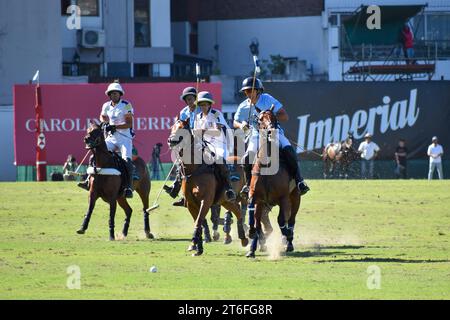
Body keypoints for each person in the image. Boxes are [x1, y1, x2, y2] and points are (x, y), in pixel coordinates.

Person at [233, 77, 310, 198]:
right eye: (246, 91)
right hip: (256, 134)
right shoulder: (243, 106)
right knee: (247, 157)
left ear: (258, 91)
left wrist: (269, 118)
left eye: (251, 90)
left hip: (274, 131)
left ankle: (299, 180)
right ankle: (248, 185)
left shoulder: (267, 99)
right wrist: (241, 124)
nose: (248, 93)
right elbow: (235, 122)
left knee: (288, 148)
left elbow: (285, 116)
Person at [77, 81, 137, 198]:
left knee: (126, 160)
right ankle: (88, 179)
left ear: (120, 94)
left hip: (125, 139)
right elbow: (102, 116)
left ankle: (128, 187)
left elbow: (129, 123)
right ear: (109, 95)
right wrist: (105, 122)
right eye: (112, 94)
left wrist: (114, 126)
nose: (114, 95)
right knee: (95, 154)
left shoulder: (126, 105)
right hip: (111, 138)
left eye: (116, 93)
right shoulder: (106, 105)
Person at [193, 91, 236, 201]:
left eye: (205, 104)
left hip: (219, 144)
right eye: (201, 104)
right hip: (204, 146)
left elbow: (218, 130)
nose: (203, 106)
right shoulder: (198, 117)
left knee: (219, 159)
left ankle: (228, 188)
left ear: (209, 104)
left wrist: (203, 131)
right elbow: (196, 133)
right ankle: (180, 188)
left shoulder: (216, 114)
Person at [164, 87, 201, 206]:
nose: (190, 101)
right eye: (187, 99)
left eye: (191, 98)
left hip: (202, 139)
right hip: (188, 141)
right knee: (182, 163)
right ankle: (179, 191)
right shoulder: (183, 112)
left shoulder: (201, 109)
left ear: (196, 99)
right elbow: (179, 126)